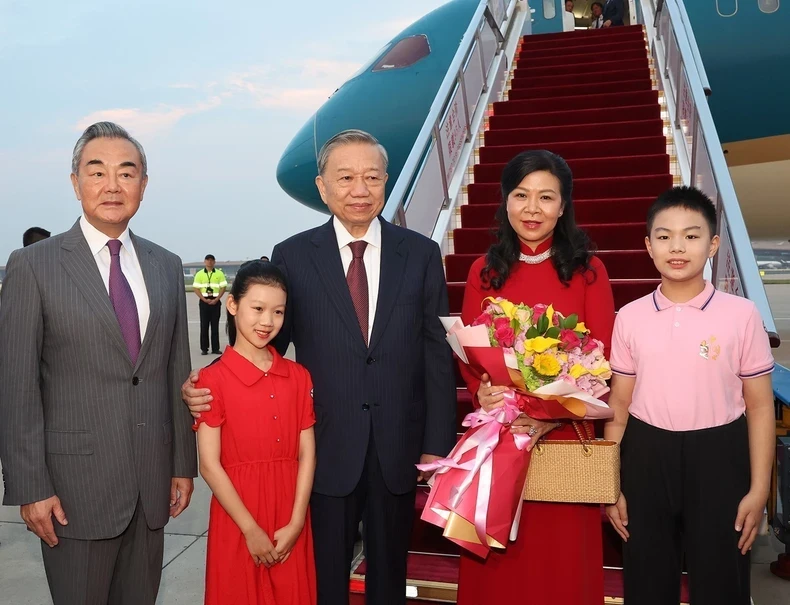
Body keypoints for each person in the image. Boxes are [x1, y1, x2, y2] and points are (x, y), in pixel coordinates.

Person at [183, 129, 457, 605]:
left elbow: (437, 351)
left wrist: (437, 446)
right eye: (345, 177)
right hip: (323, 446)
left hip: (398, 443)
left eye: (372, 177)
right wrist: (207, 385)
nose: (360, 189)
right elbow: (269, 342)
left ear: (387, 182)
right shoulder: (294, 255)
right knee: (323, 575)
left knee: (389, 574)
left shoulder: (419, 253)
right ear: (322, 186)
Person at [0, 121, 196, 605]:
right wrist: (30, 487)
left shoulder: (166, 265)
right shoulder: (33, 266)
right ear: (75, 183)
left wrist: (181, 465)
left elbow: (174, 371)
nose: (113, 185)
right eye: (97, 171)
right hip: (71, 492)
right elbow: (16, 386)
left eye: (127, 173)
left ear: (143, 186)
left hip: (152, 487)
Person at [457, 150, 615, 605]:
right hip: (501, 436)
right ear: (505, 200)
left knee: (559, 570)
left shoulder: (589, 271)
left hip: (564, 438)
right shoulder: (483, 272)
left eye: (546, 197)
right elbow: (470, 356)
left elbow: (600, 360)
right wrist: (482, 393)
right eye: (521, 195)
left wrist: (552, 418)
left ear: (563, 206)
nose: (532, 208)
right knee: (500, 570)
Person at [604, 186, 775, 605]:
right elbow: (620, 407)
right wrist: (609, 485)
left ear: (713, 244)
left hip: (720, 455)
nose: (677, 247)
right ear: (648, 245)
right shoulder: (630, 317)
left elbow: (759, 407)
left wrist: (759, 489)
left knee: (721, 581)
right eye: (663, 236)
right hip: (646, 456)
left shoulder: (741, 315)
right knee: (645, 578)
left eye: (692, 235)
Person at [195, 261, 317, 604]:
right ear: (232, 305)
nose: (267, 322)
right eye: (258, 309)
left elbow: (307, 453)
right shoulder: (211, 380)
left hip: (290, 512)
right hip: (238, 515)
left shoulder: (298, 376)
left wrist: (296, 522)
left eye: (278, 312)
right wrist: (249, 529)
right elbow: (209, 464)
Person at [193, 254, 228, 355]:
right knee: (204, 326)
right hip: (204, 302)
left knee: (215, 326)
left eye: (212, 260)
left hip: (215, 302)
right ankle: (204, 348)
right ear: (204, 261)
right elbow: (196, 288)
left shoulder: (219, 274)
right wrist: (203, 299)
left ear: (214, 262)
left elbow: (223, 287)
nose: (210, 262)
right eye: (208, 260)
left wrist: (217, 299)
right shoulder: (199, 274)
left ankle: (215, 348)